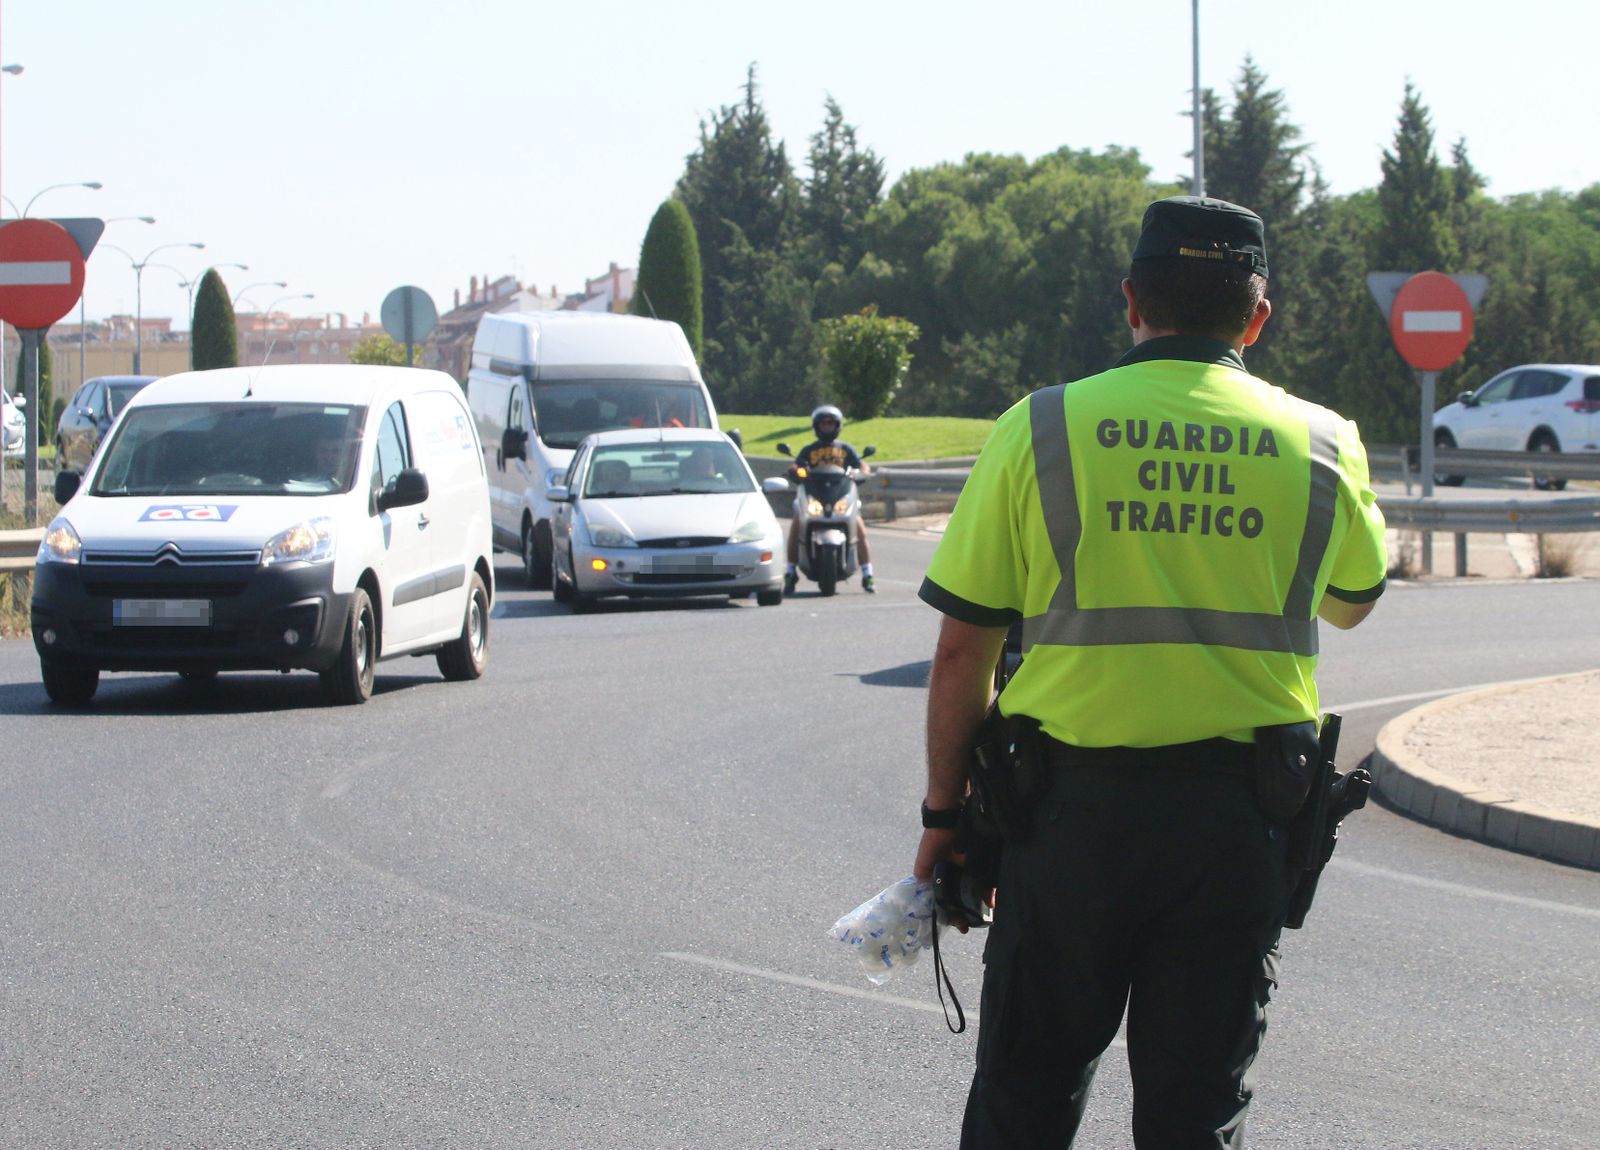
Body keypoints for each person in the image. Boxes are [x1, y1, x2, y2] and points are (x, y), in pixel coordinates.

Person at [913, 196, 1388, 1149]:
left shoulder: (1040, 428)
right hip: (1237, 828)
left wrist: (943, 816)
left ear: (1132, 301)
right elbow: (1352, 599)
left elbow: (965, 651)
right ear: (1257, 319)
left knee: (1024, 1099)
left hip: (1066, 824)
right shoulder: (1324, 440)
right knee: (1197, 1112)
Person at [785, 404, 875, 593]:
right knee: (797, 522)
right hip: (815, 497)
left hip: (840, 496)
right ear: (816, 427)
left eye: (830, 424)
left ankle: (868, 574)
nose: (827, 427)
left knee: (859, 526)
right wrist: (795, 471)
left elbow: (862, 465)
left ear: (837, 426)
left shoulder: (846, 449)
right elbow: (796, 466)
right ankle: (790, 571)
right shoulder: (809, 450)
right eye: (823, 424)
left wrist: (862, 472)